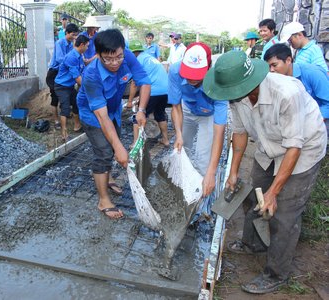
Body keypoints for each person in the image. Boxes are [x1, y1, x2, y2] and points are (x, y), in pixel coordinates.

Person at [203, 51, 326, 294]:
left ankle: (276, 273)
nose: (231, 98)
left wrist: (274, 192)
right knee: (253, 193)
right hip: (268, 146)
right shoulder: (236, 97)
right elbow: (239, 133)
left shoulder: (286, 93)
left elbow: (294, 147)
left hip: (302, 150)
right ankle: (253, 243)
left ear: (249, 84)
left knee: (283, 213)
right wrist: (234, 172)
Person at [76, 29, 151, 219]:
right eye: (108, 59)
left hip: (113, 110)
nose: (115, 63)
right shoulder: (91, 75)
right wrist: (119, 148)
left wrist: (141, 110)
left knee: (113, 144)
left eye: (118, 57)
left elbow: (144, 82)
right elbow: (101, 117)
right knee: (105, 151)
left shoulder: (126, 56)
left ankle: (107, 178)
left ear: (123, 51)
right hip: (93, 114)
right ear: (98, 55)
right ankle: (103, 200)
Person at [168, 42, 228, 199]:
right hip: (186, 109)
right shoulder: (175, 70)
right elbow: (175, 107)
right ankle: (181, 187)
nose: (191, 79)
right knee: (182, 149)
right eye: (188, 74)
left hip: (209, 114)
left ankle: (200, 197)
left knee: (203, 157)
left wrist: (211, 172)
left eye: (197, 76)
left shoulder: (219, 81)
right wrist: (179, 134)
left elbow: (219, 130)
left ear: (208, 69)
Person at [264, 43, 329, 137]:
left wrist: (312, 124)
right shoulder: (276, 79)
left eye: (274, 65)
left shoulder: (312, 73)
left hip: (319, 120)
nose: (271, 70)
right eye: (269, 67)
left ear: (288, 60)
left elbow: (327, 103)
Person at [128, 40, 169, 147]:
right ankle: (165, 140)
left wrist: (129, 101)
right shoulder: (150, 57)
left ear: (133, 53)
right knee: (160, 115)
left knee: (138, 116)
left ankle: (136, 143)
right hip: (165, 91)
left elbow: (134, 83)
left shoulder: (138, 61)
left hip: (153, 91)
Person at [54, 35, 89, 141]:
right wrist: (90, 89)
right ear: (82, 45)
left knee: (76, 103)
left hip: (69, 85)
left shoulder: (79, 56)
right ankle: (64, 133)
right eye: (87, 46)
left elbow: (82, 74)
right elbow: (78, 78)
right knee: (65, 108)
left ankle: (77, 126)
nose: (87, 48)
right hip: (61, 86)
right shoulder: (72, 57)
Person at [46, 23, 80, 129]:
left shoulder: (71, 45)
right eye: (73, 35)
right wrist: (70, 62)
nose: (75, 37)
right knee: (55, 96)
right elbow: (60, 59)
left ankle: (68, 117)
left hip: (64, 72)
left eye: (76, 35)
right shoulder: (59, 43)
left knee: (68, 95)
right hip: (55, 72)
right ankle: (56, 120)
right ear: (67, 33)